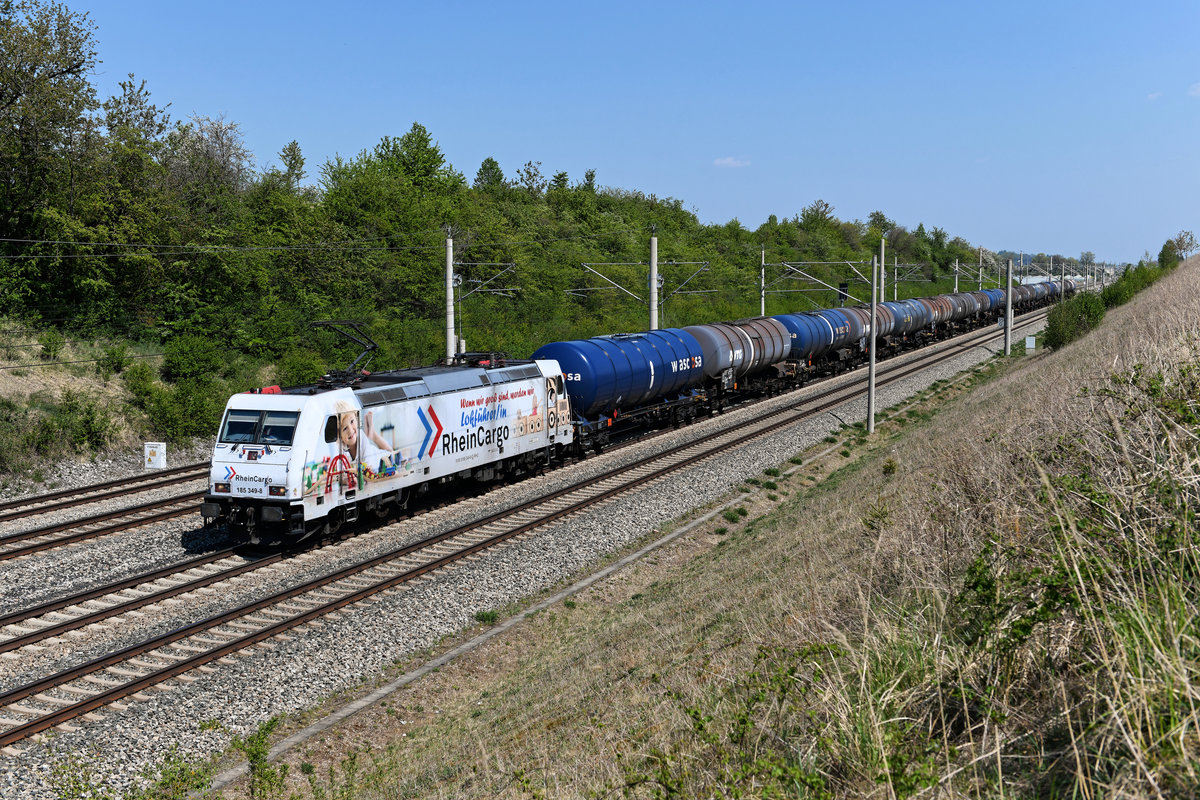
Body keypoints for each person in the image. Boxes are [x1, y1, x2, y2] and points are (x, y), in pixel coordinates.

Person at [334, 400, 393, 473]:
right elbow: (340, 472)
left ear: (356, 419)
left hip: (380, 457)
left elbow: (367, 469)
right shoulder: (340, 448)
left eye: (352, 421)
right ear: (340, 436)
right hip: (371, 456)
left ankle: (373, 434)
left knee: (391, 452)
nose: (350, 430)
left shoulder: (361, 437)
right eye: (345, 428)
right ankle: (372, 434)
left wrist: (349, 472)